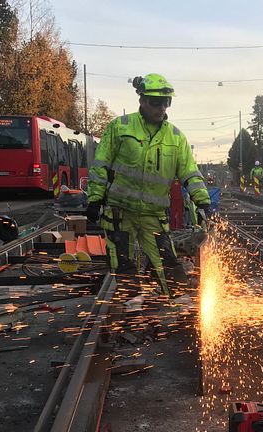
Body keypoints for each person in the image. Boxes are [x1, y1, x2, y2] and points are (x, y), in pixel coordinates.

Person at [86, 73, 213, 297]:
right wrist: (95, 198)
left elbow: (190, 173)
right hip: (120, 213)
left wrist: (203, 202)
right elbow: (100, 165)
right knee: (124, 267)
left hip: (153, 216)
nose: (161, 108)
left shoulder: (176, 138)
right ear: (142, 100)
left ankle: (171, 308)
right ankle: (129, 313)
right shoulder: (120, 127)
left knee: (168, 265)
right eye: (155, 102)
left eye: (166, 102)